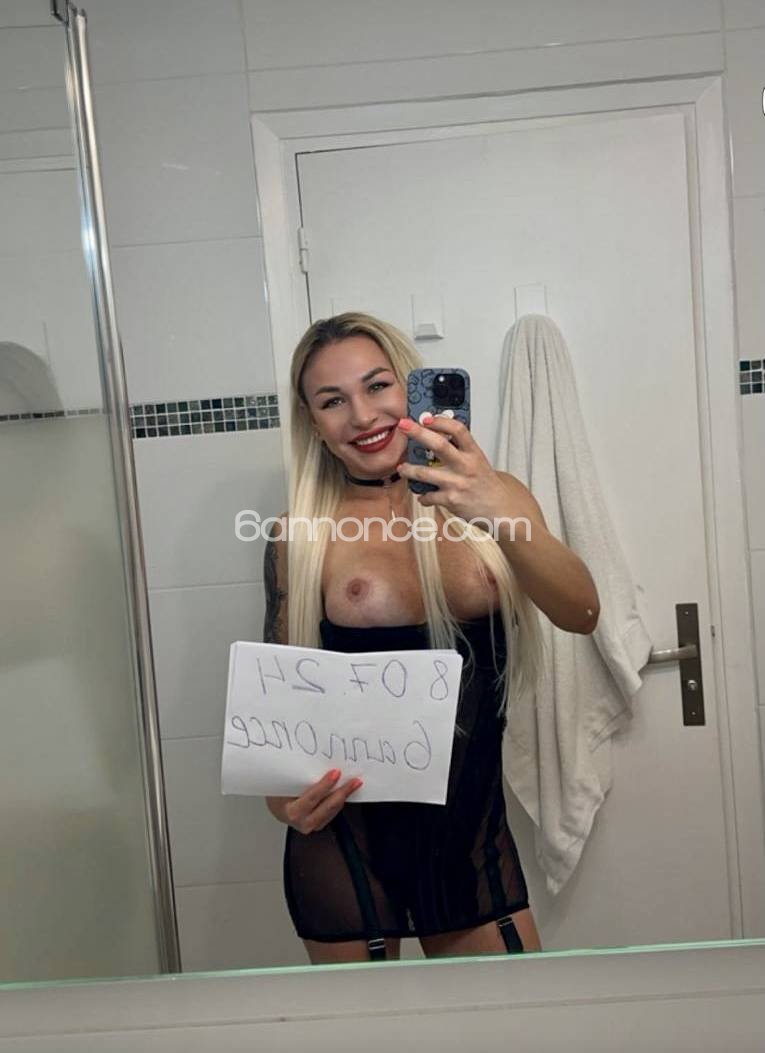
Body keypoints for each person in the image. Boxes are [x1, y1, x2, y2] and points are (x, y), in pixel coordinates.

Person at [262, 312, 600, 964]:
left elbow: (581, 611)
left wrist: (495, 512)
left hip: (471, 844)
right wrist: (284, 801)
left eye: (377, 385)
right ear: (314, 423)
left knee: (512, 1016)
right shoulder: (297, 535)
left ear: (410, 385)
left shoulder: (498, 497)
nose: (362, 415)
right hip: (346, 848)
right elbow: (277, 706)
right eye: (333, 401)